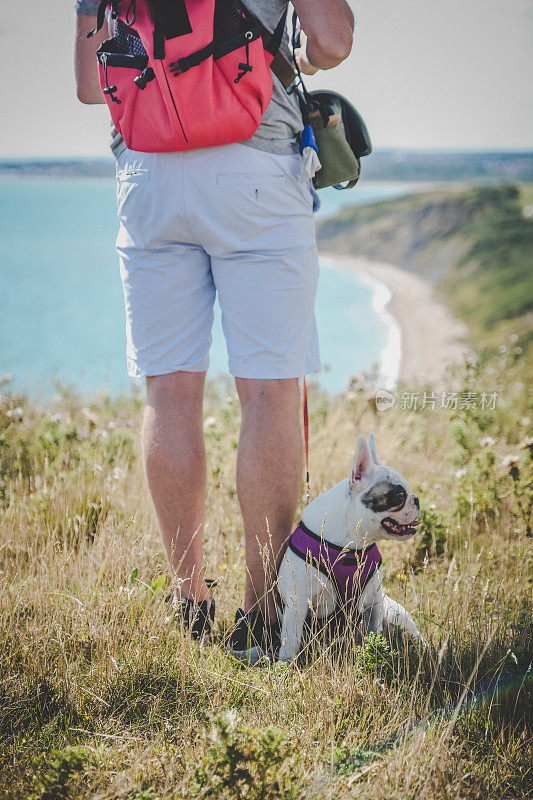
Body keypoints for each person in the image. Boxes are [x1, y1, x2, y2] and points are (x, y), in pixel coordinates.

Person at [74, 0, 354, 662]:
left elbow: (91, 85)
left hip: (148, 177)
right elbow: (332, 40)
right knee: (267, 393)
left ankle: (189, 599)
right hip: (253, 163)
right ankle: (261, 612)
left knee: (168, 395)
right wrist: (295, 61)